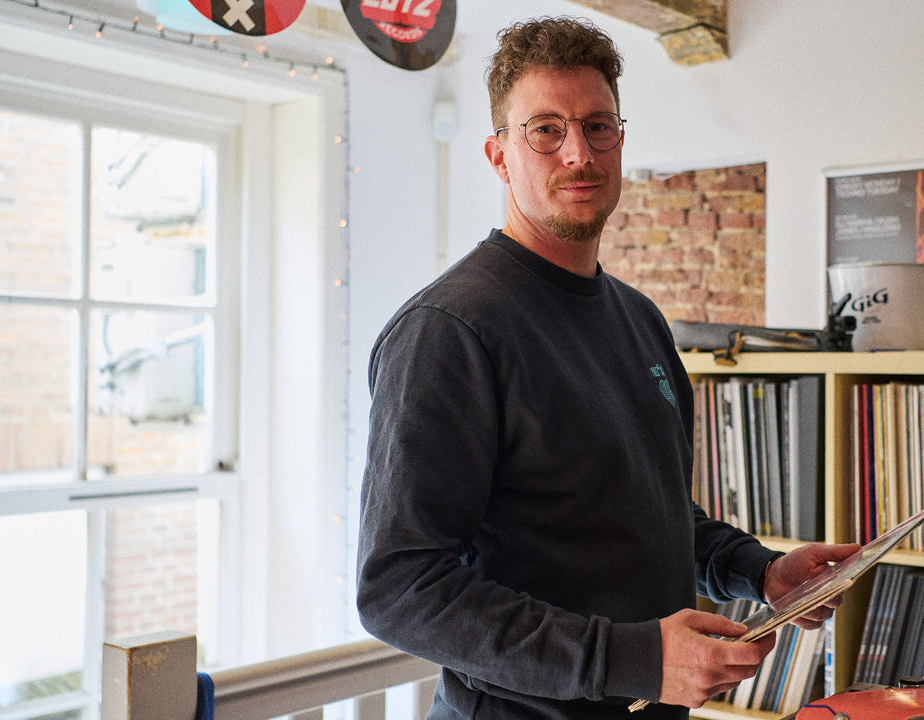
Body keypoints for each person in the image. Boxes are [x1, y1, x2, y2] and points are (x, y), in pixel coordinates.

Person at [356, 16, 860, 719]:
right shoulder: (450, 330)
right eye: (546, 130)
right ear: (499, 156)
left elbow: (645, 515)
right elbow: (400, 588)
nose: (579, 154)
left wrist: (760, 571)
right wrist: (633, 659)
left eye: (598, 127)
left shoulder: (640, 318)